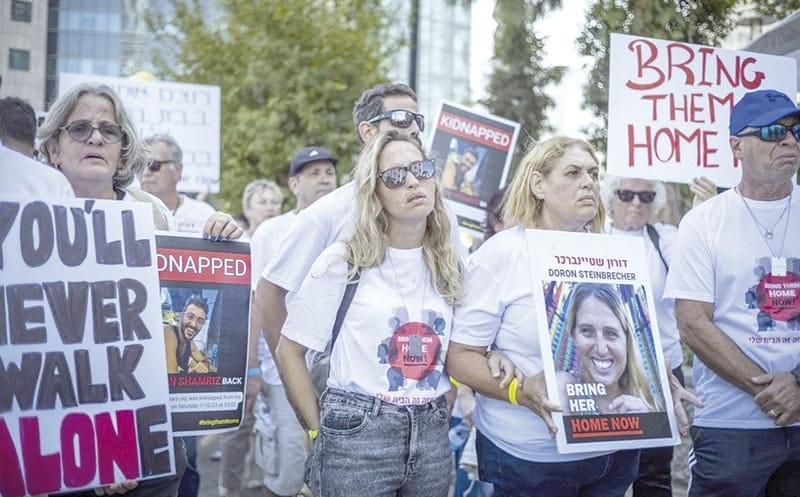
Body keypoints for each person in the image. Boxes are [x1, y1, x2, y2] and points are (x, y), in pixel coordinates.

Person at [37, 81, 241, 497]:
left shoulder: (149, 213)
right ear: (54, 147)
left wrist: (224, 243)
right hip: (57, 444)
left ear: (122, 148)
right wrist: (98, 453)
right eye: (79, 128)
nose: (95, 137)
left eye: (108, 130)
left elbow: (167, 308)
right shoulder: (27, 213)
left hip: (146, 436)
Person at [446, 136, 642, 497]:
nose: (588, 182)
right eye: (572, 172)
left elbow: (632, 338)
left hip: (612, 456)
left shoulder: (614, 249)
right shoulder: (503, 253)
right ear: (538, 184)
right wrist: (520, 391)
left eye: (594, 173)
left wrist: (655, 379)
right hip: (529, 462)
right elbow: (458, 357)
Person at [274, 129, 462, 496]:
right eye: (394, 176)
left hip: (433, 435)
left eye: (421, 170)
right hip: (356, 435)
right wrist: (318, 431)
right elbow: (289, 351)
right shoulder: (343, 261)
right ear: (373, 192)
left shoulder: (450, 262)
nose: (412, 181)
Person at [665, 89, 800, 497]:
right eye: (775, 131)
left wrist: (798, 385)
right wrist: (767, 391)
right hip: (730, 426)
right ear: (736, 146)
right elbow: (692, 324)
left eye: (796, 132)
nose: (790, 141)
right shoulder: (703, 222)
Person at [254, 82, 431, 381]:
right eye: (401, 119)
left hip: (417, 390)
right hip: (339, 392)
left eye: (418, 120)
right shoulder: (328, 213)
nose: (413, 128)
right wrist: (296, 378)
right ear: (367, 131)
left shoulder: (436, 211)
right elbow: (269, 292)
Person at [219, 145, 338, 497]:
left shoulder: (352, 225)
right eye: (313, 173)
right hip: (282, 365)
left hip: (339, 368)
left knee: (333, 465)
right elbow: (256, 299)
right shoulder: (273, 231)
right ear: (294, 184)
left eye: (329, 172)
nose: (324, 179)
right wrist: (253, 368)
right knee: (289, 465)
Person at [600, 175, 682, 496]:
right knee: (602, 467)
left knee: (654, 472)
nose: (636, 203)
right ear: (610, 198)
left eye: (646, 197)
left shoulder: (667, 239)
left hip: (661, 369)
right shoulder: (591, 236)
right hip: (606, 369)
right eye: (626, 194)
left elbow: (696, 269)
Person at [556, 282, 658, 415]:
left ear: (627, 340)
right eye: (587, 331)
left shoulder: (650, 401)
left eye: (611, 333)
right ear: (573, 334)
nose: (601, 349)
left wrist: (650, 424)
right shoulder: (563, 388)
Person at [139, 133, 216, 232]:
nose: (145, 173)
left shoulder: (204, 215)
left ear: (178, 170)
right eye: (139, 165)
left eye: (154, 165)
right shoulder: (127, 211)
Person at [164, 296, 212, 374]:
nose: (194, 325)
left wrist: (203, 366)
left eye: (200, 321)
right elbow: (171, 378)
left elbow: (205, 361)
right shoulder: (169, 333)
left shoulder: (190, 345)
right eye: (190, 317)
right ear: (182, 316)